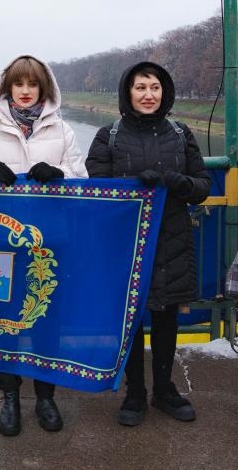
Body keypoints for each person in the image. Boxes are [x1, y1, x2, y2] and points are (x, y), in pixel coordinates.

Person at [0, 54, 87, 436]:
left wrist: (58, 175)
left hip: (49, 242)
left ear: (43, 89)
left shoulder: (62, 131)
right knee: (2, 320)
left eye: (33, 85)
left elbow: (81, 176)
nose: (26, 91)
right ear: (8, 89)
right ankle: (10, 396)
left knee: (48, 317)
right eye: (19, 84)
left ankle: (45, 395)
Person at [86, 62, 211, 426]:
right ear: (128, 92)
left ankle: (165, 390)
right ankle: (135, 392)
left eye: (154, 88)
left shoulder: (180, 132)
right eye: (141, 88)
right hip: (125, 242)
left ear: (164, 92)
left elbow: (201, 187)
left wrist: (174, 180)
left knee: (167, 315)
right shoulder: (108, 135)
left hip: (171, 238)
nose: (148, 95)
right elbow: (99, 189)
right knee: (131, 320)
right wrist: (133, 184)